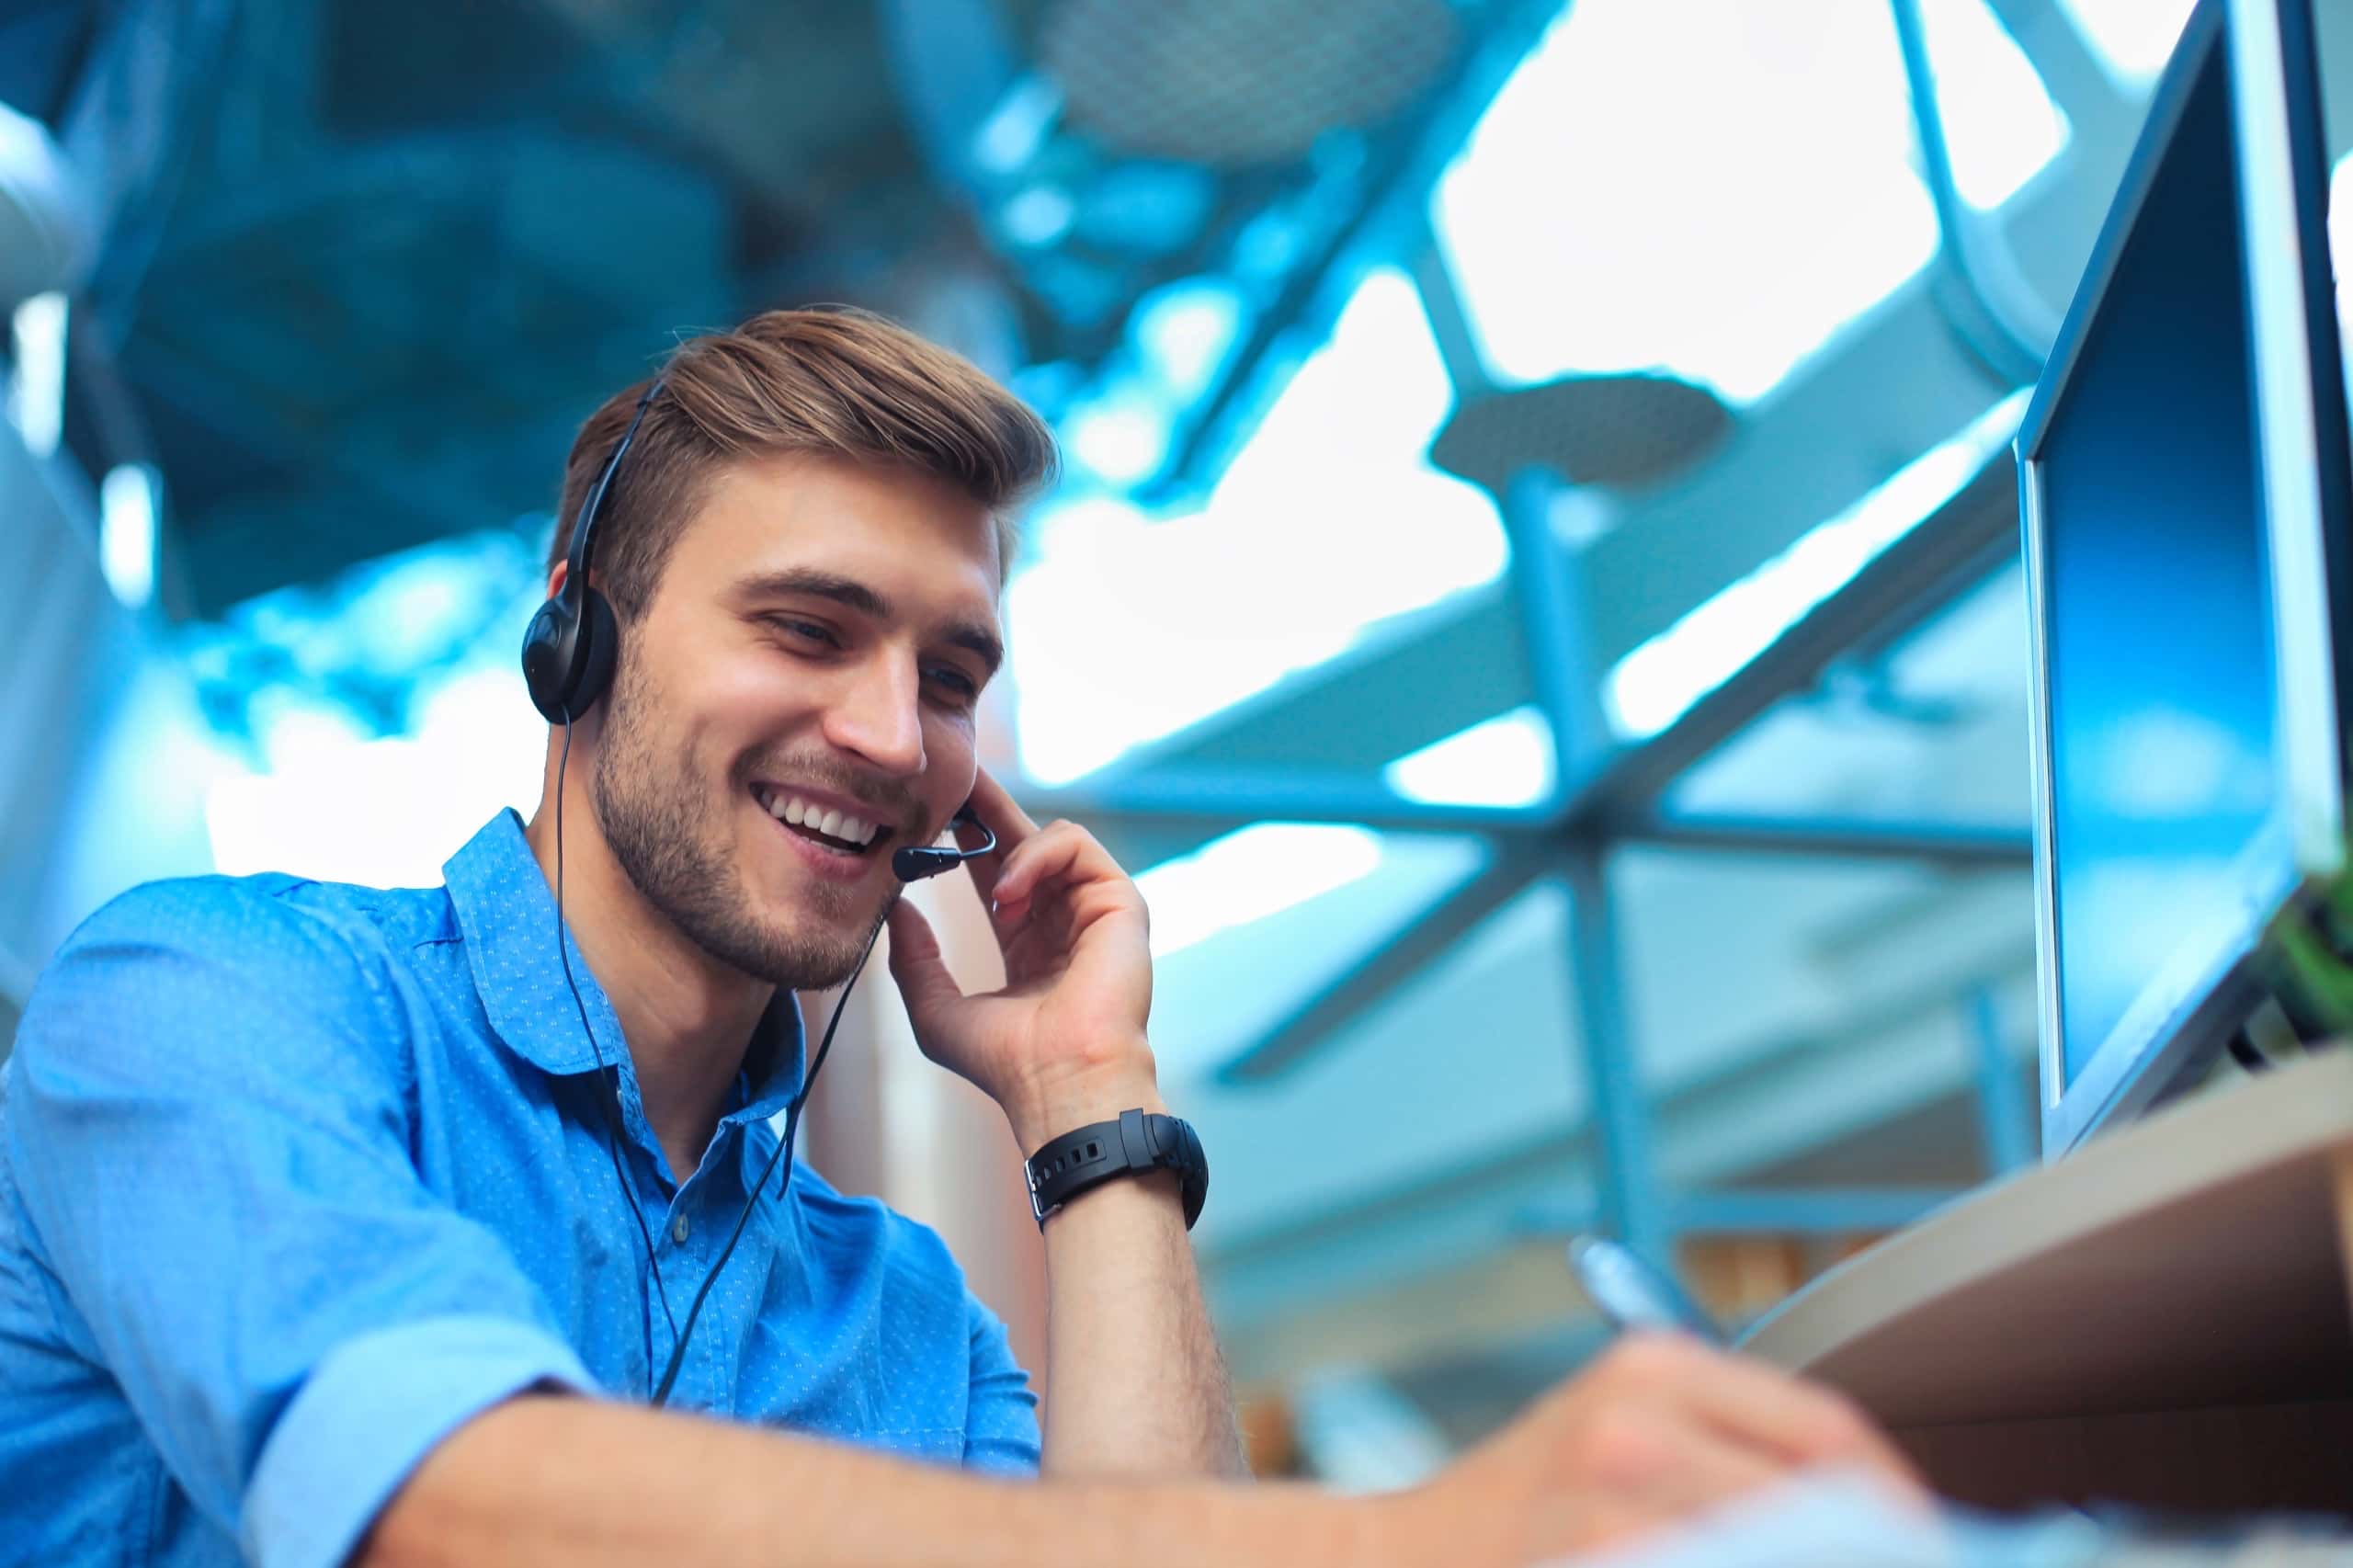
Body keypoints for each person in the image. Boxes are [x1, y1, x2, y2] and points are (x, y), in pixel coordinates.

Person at [0, 307, 1920, 1568]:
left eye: (951, 671)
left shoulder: (896, 1316)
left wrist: (1093, 1105)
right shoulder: (206, 1003)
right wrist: (1429, 1533)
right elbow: (441, 1501)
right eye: (809, 628)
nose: (894, 734)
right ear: (573, 634)